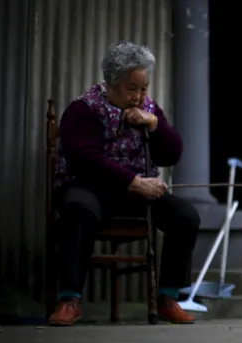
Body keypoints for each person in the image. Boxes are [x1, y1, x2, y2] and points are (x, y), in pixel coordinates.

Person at [48, 41, 200, 326]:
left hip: (133, 192)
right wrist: (133, 181)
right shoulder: (85, 109)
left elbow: (172, 154)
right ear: (111, 83)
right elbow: (85, 160)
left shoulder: (148, 110)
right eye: (132, 89)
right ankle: (70, 299)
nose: (140, 97)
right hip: (87, 186)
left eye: (144, 89)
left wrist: (155, 124)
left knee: (185, 216)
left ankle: (168, 298)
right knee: (78, 209)